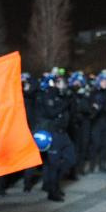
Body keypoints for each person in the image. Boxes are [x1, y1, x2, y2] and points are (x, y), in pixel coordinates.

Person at [36, 73, 76, 201]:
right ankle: (52, 191)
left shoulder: (61, 96)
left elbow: (71, 112)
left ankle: (54, 185)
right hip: (53, 134)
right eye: (59, 82)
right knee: (53, 165)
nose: (63, 84)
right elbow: (51, 113)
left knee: (71, 159)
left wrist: (70, 99)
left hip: (63, 133)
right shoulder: (47, 95)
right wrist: (65, 102)